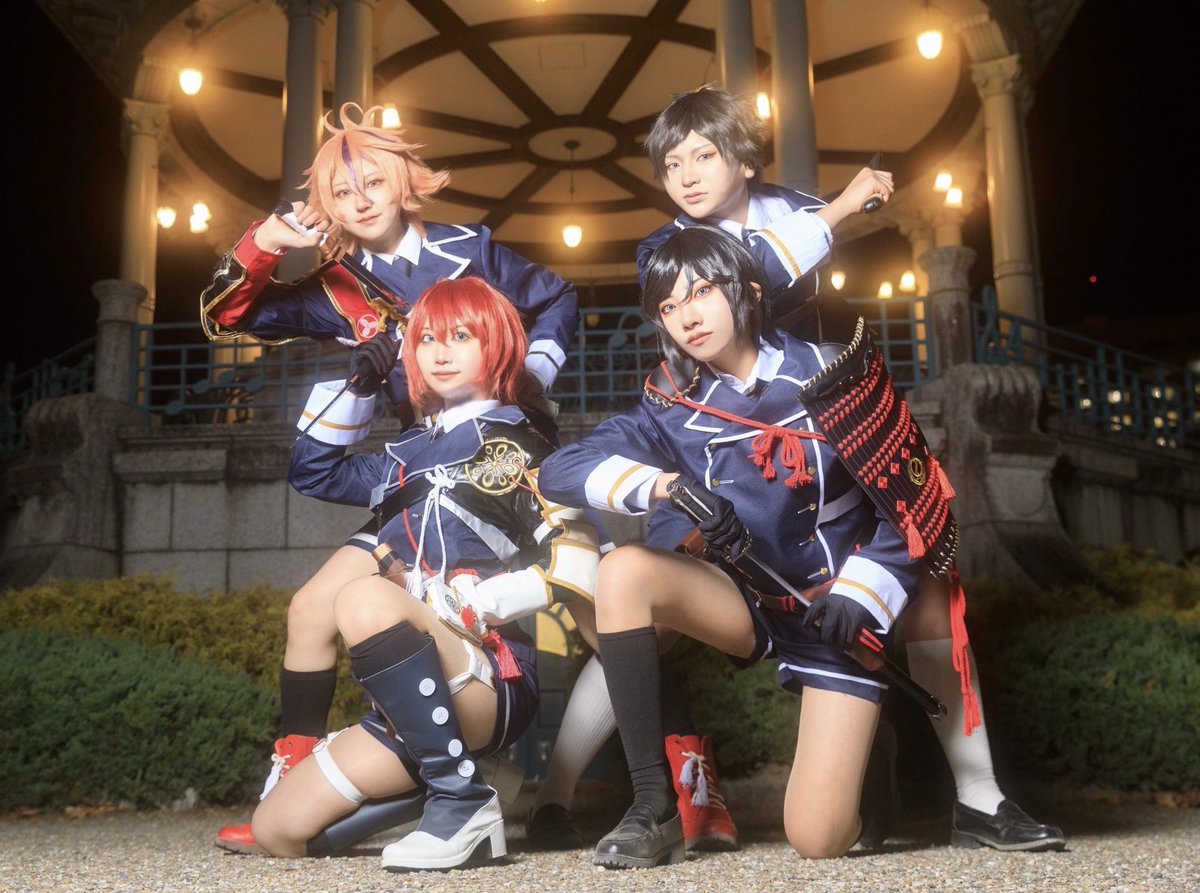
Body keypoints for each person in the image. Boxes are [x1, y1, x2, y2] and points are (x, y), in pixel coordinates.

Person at [632, 84, 1062, 852]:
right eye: (671, 164)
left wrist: (823, 216)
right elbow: (752, 277)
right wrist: (837, 211)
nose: (687, 175)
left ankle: (979, 796)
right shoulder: (668, 248)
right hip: (742, 470)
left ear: (744, 156)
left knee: (927, 575)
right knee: (631, 592)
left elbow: (789, 303)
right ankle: (653, 800)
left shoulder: (793, 206)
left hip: (834, 430)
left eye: (703, 154)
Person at [198, 103, 580, 853]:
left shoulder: (472, 249)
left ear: (407, 182)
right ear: (325, 206)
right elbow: (229, 318)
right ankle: (296, 774)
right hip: (417, 463)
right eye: (342, 193)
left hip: (496, 453)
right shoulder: (334, 286)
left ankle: (621, 779)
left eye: (374, 181)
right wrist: (265, 243)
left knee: (585, 596)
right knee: (312, 607)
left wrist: (530, 376)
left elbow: (558, 296)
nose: (362, 200)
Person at [527, 84, 896, 854]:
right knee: (624, 573)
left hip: (828, 596)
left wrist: (862, 591)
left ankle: (890, 760)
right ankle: (655, 803)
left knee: (819, 835)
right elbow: (560, 469)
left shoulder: (833, 373)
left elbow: (910, 505)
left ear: (746, 292)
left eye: (703, 292)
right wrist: (661, 484)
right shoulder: (672, 391)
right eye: (670, 306)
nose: (687, 313)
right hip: (742, 581)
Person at [251, 276, 601, 871]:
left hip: (487, 672)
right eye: (427, 338)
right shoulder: (403, 454)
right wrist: (360, 387)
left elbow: (579, 559)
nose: (440, 352)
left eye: (461, 336)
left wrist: (485, 602)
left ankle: (460, 801)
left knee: (360, 597)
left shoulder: (523, 443)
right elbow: (313, 473)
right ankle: (471, 778)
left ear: (497, 343)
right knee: (276, 829)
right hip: (414, 701)